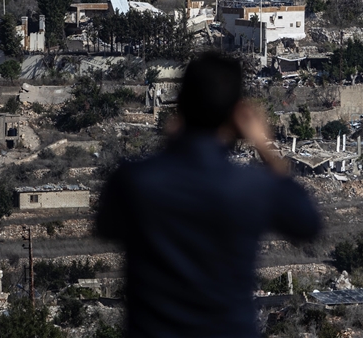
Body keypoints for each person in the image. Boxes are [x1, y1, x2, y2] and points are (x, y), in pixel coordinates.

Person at [97, 52, 322, 337]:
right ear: (236, 116)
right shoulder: (251, 187)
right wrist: (266, 149)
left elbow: (105, 227)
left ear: (179, 105)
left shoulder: (135, 180)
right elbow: (307, 224)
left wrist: (170, 145)